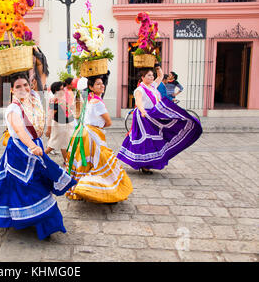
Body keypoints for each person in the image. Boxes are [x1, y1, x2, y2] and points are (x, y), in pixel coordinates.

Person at [0, 73, 77, 240]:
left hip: (34, 148)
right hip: (20, 151)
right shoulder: (13, 108)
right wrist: (32, 146)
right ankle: (42, 221)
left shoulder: (31, 101)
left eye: (25, 85)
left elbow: (38, 83)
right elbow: (18, 129)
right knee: (27, 186)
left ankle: (33, 219)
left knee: (33, 183)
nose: (23, 89)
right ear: (11, 90)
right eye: (18, 86)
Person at [117, 67, 202, 174]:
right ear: (142, 77)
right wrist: (143, 111)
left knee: (157, 137)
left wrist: (157, 67)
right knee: (147, 139)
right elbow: (138, 102)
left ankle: (146, 163)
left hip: (153, 115)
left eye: (152, 75)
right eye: (148, 75)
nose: (151, 77)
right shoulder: (139, 90)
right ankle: (145, 165)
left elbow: (160, 76)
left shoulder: (153, 86)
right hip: (143, 116)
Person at [65, 75, 133, 203]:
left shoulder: (89, 100)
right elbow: (108, 122)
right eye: (98, 84)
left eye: (102, 83)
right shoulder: (97, 102)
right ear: (91, 87)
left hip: (84, 134)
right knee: (101, 161)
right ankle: (104, 189)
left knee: (85, 163)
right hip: (93, 136)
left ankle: (79, 188)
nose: (102, 86)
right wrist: (99, 127)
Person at [45, 82, 75, 166]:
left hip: (66, 124)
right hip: (59, 125)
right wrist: (48, 129)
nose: (64, 90)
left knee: (64, 144)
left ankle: (66, 162)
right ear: (56, 91)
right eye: (61, 89)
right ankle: (40, 157)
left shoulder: (62, 98)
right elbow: (50, 115)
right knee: (52, 145)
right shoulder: (55, 100)